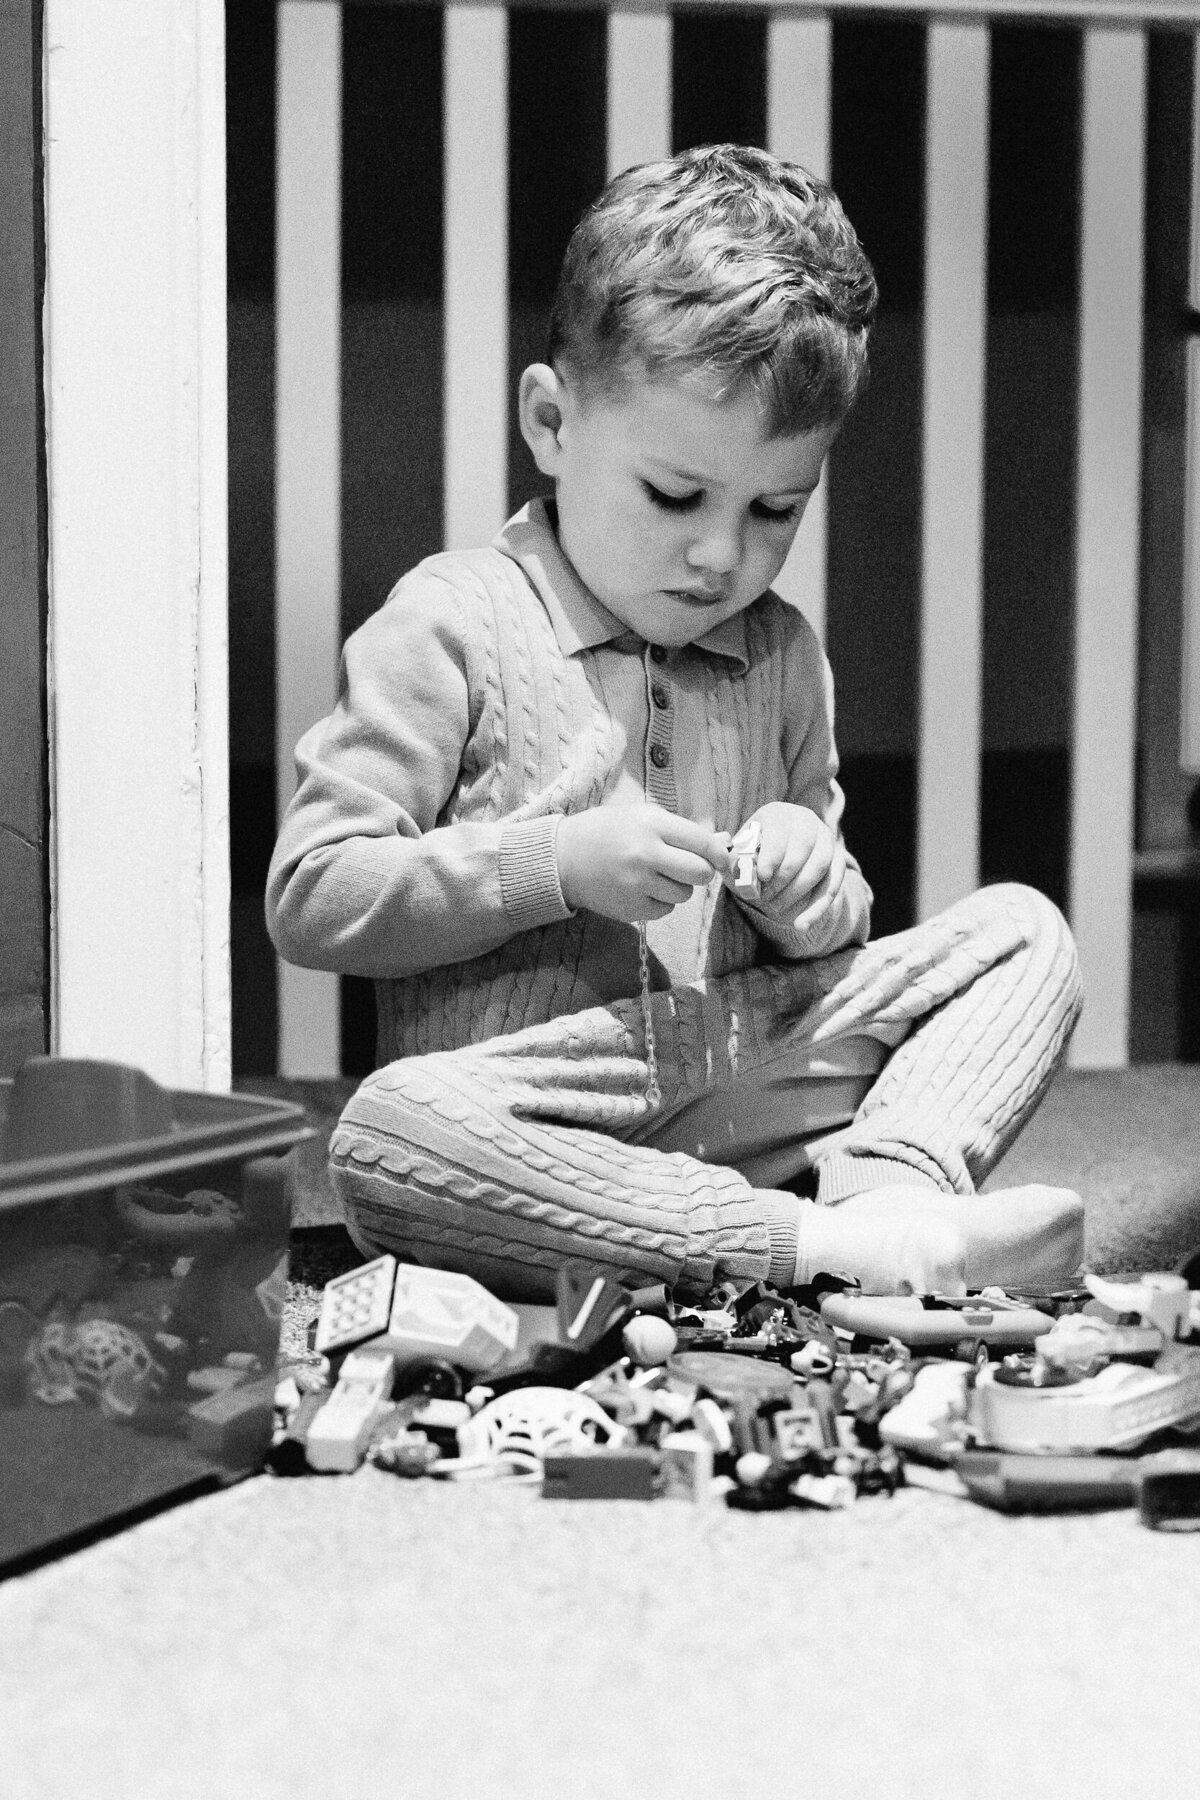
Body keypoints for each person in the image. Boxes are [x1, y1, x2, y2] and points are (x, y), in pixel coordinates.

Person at [266, 143, 1084, 1303]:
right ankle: (822, 1250)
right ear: (551, 423)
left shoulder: (781, 649)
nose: (722, 554)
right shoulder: (448, 623)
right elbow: (314, 896)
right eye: (674, 496)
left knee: (1023, 935)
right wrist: (553, 866)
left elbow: (834, 929)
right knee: (385, 1137)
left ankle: (887, 1196)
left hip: (742, 1067)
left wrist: (810, 887)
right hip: (531, 1113)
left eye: (775, 510)